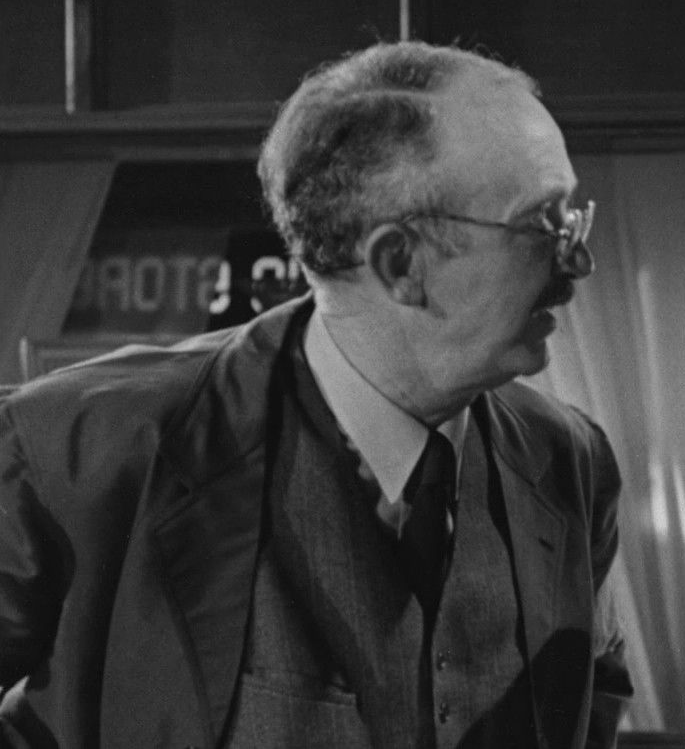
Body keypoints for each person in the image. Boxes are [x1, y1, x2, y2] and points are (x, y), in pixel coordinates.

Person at [0, 41, 630, 748]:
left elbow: (593, 696)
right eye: (543, 224)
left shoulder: (568, 460)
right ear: (400, 263)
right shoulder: (79, 448)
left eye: (571, 218)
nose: (578, 261)